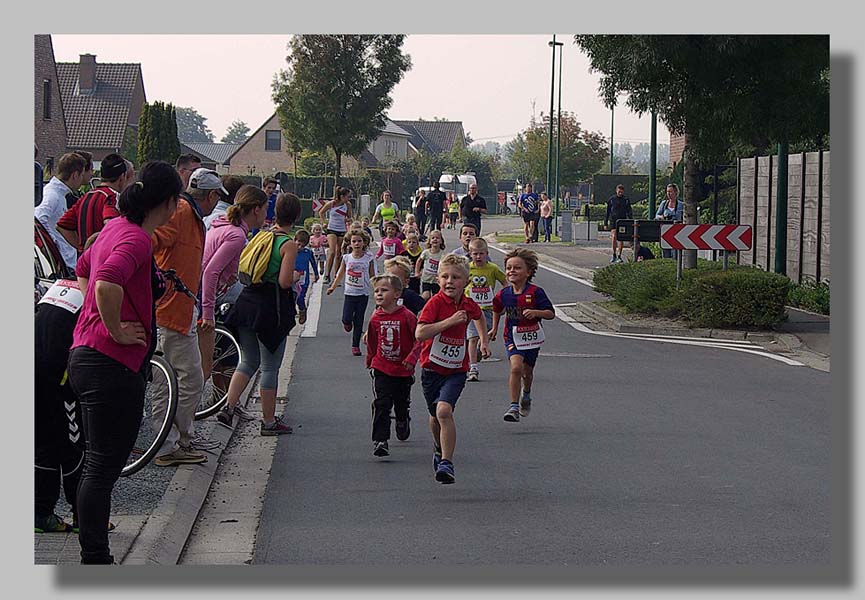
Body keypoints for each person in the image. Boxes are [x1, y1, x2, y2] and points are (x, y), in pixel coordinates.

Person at [67, 160, 182, 564]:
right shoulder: (135, 240)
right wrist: (113, 327)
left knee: (97, 463)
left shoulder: (114, 228)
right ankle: (95, 558)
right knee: (102, 466)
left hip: (87, 354)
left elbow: (83, 269)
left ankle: (94, 552)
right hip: (110, 361)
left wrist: (93, 319)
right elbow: (105, 281)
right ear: (169, 203)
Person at [150, 168, 226, 467]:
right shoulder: (182, 213)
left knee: (176, 378)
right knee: (185, 378)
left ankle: (174, 441)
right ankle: (170, 444)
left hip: (178, 309)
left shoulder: (188, 213)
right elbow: (151, 241)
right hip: (170, 311)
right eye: (216, 196)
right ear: (210, 196)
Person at [217, 193, 301, 433]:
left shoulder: (261, 235)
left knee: (248, 360)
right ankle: (268, 421)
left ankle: (229, 406)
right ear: (296, 216)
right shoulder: (288, 243)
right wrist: (295, 277)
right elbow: (284, 282)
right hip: (270, 309)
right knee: (270, 367)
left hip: (246, 303)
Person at [416, 254, 491, 484]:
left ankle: (447, 463)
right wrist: (449, 322)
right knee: (434, 415)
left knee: (444, 412)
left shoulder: (468, 303)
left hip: (456, 370)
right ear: (437, 280)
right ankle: (439, 448)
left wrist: (483, 340)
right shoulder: (435, 303)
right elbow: (420, 333)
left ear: (466, 282)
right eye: (445, 277)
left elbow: (478, 316)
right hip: (432, 369)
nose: (450, 281)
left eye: (456, 277)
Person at [199, 185, 268, 400]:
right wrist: (208, 312)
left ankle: (220, 401)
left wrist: (229, 275)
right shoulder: (236, 234)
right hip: (206, 299)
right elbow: (210, 271)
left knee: (213, 358)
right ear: (256, 209)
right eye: (265, 209)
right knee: (202, 367)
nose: (267, 214)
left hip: (206, 294)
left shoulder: (225, 225)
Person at [490, 248, 556, 422]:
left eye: (517, 268)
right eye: (509, 267)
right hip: (512, 336)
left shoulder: (535, 292)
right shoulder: (503, 294)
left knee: (527, 372)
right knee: (516, 368)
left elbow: (550, 313)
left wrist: (536, 312)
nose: (512, 271)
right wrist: (494, 329)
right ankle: (513, 407)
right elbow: (497, 309)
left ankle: (526, 394)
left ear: (528, 272)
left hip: (532, 337)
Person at [366, 274, 422, 457]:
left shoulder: (407, 316)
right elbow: (372, 341)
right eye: (376, 291)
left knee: (401, 401)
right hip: (381, 367)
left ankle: (402, 419)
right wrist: (371, 360)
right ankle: (380, 440)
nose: (379, 294)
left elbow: (419, 340)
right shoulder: (375, 318)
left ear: (397, 294)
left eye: (384, 290)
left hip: (403, 369)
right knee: (382, 403)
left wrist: (412, 359)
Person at [56, 154, 135, 255]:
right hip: (103, 260)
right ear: (122, 177)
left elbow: (61, 226)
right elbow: (110, 222)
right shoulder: (111, 197)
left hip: (84, 262)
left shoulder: (86, 197)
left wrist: (82, 248)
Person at [35, 152, 87, 273]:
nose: (81, 180)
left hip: (65, 260)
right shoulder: (53, 195)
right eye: (81, 175)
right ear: (75, 175)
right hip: (63, 262)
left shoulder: (58, 194)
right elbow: (38, 217)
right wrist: (53, 244)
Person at [326, 229, 375, 356]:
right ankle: (347, 324)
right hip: (350, 293)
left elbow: (372, 275)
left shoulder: (368, 258)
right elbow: (340, 273)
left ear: (364, 243)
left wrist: (377, 289)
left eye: (359, 241)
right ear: (350, 244)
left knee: (359, 320)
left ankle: (355, 346)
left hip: (363, 294)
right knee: (346, 318)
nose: (357, 244)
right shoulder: (347, 258)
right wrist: (333, 287)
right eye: (354, 241)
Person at [464, 238, 507, 382]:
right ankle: (473, 368)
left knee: (485, 337)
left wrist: (505, 299)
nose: (478, 257)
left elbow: (504, 281)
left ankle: (475, 357)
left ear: (486, 254)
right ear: (470, 254)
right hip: (471, 309)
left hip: (488, 309)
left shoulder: (493, 268)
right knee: (473, 337)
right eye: (475, 254)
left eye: (481, 254)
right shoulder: (467, 268)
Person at [318, 186, 354, 284]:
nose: (349, 199)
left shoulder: (348, 205)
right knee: (332, 251)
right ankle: (327, 274)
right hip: (332, 229)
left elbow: (350, 217)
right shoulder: (332, 204)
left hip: (342, 229)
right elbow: (321, 212)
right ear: (342, 196)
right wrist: (324, 222)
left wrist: (348, 220)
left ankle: (336, 276)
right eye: (347, 196)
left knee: (339, 253)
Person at [293, 229, 319, 325]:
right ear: (294, 240)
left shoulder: (307, 252)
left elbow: (313, 263)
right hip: (292, 277)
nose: (299, 247)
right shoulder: (290, 251)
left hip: (303, 279)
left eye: (302, 245)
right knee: (291, 297)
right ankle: (291, 314)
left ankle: (302, 310)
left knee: (300, 297)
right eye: (298, 244)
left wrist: (316, 274)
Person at [604, 184, 633, 263]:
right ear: (616, 191)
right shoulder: (612, 199)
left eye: (621, 192)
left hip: (622, 221)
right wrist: (605, 223)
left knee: (621, 238)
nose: (620, 193)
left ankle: (619, 255)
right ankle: (614, 254)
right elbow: (607, 212)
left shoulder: (626, 200)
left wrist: (631, 221)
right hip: (614, 221)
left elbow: (629, 211)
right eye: (619, 191)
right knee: (614, 237)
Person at [655, 183, 684, 258]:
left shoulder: (681, 205)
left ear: (676, 192)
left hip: (677, 232)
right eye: (667, 192)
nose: (668, 194)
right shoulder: (664, 204)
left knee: (675, 254)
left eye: (670, 192)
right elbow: (656, 216)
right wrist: (662, 217)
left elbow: (684, 218)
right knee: (666, 254)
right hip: (665, 232)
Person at [416, 229, 445, 299]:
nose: (435, 239)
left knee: (436, 297)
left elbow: (444, 266)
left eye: (437, 238)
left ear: (441, 241)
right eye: (433, 238)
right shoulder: (426, 252)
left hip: (436, 280)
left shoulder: (442, 254)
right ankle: (423, 307)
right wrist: (417, 272)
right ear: (429, 241)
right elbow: (419, 261)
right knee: (426, 295)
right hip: (426, 279)